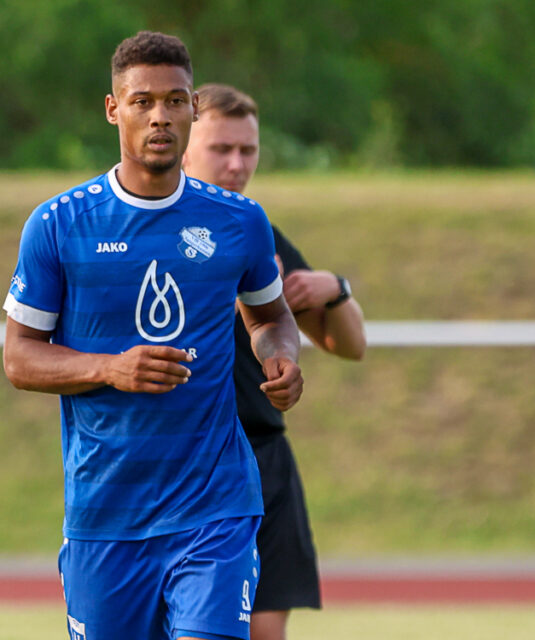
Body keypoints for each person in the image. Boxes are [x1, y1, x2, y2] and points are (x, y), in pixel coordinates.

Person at [2, 32, 303, 640]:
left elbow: (271, 317)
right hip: (105, 514)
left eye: (174, 100)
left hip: (214, 507)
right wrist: (109, 369)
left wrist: (281, 358)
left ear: (193, 107)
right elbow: (19, 358)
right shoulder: (60, 225)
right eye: (142, 101)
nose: (160, 116)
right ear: (113, 109)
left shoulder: (240, 221)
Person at [183, 83, 366, 640]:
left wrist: (335, 288)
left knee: (264, 633)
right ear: (185, 145)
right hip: (177, 464)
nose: (238, 164)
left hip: (260, 459)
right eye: (222, 149)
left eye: (248, 150)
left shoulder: (257, 233)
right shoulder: (142, 231)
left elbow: (348, 344)